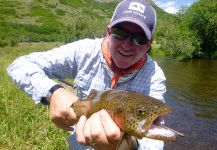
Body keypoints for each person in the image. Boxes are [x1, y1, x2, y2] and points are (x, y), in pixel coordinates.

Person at [7, 0, 166, 149]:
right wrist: (53, 91)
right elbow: (19, 65)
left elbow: (155, 142)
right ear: (108, 32)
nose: (126, 45)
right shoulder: (83, 51)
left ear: (149, 44)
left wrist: (128, 146)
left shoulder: (154, 76)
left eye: (139, 38)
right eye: (119, 32)